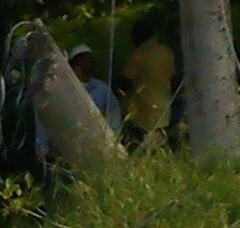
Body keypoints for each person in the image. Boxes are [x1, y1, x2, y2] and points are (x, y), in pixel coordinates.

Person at [33, 45, 120, 164]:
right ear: (74, 65)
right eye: (85, 59)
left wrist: (110, 146)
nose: (90, 63)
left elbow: (114, 118)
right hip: (63, 153)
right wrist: (43, 150)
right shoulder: (58, 90)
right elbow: (44, 119)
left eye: (91, 59)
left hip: (93, 153)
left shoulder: (102, 90)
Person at [119, 17, 176, 149]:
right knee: (161, 146)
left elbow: (124, 79)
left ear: (136, 37)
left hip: (145, 114)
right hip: (165, 110)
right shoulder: (166, 51)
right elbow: (173, 77)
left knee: (144, 150)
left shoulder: (139, 54)